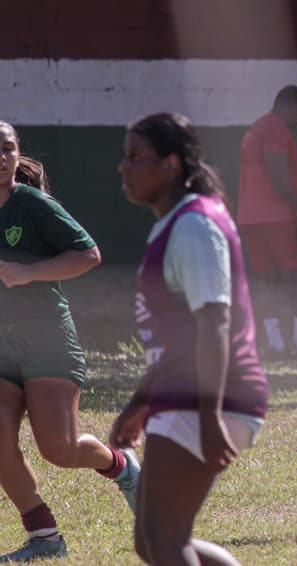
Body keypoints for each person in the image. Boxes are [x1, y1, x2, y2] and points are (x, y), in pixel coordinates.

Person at [111, 112, 269, 566]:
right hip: (184, 391)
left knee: (165, 538)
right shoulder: (175, 222)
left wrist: (207, 415)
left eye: (136, 157)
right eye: (124, 157)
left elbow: (215, 325)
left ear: (172, 164)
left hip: (207, 394)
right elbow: (174, 338)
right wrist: (140, 402)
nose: (124, 168)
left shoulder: (195, 226)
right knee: (153, 539)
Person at [0, 122, 139, 562]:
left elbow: (88, 254)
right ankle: (44, 536)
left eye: (7, 149)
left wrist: (29, 272)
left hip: (48, 344)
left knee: (58, 449)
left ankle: (123, 467)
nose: (1, 157)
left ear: (17, 155)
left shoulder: (32, 204)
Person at [237, 85, 297, 357]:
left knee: (267, 279)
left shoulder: (256, 127)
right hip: (277, 216)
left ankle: (274, 344)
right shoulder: (276, 129)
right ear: (293, 107)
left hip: (249, 216)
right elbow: (275, 165)